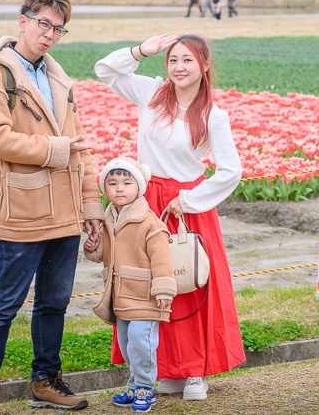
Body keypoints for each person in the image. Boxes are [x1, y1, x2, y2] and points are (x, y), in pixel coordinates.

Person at [0, 0, 104, 414]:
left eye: (58, 28)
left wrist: (92, 207)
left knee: (54, 303)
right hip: (20, 210)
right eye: (43, 23)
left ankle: (46, 380)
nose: (49, 33)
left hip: (64, 211)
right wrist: (54, 150)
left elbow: (80, 148)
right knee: (4, 303)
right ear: (23, 21)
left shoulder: (60, 79)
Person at [94, 34, 245, 401]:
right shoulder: (151, 94)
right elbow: (105, 70)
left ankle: (195, 372)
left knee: (188, 282)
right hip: (145, 204)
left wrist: (190, 199)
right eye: (173, 60)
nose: (179, 67)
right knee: (148, 286)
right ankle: (164, 369)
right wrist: (141, 50)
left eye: (188, 60)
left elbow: (231, 171)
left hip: (186, 205)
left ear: (204, 65)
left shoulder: (213, 115)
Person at [84, 157, 176, 413]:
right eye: (113, 183)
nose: (120, 188)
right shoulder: (108, 218)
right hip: (121, 295)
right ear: (105, 189)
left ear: (139, 187)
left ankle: (146, 387)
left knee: (141, 340)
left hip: (145, 294)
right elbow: (102, 253)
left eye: (127, 182)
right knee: (126, 342)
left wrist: (164, 289)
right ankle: (135, 385)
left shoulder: (149, 222)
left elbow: (161, 259)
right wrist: (93, 248)